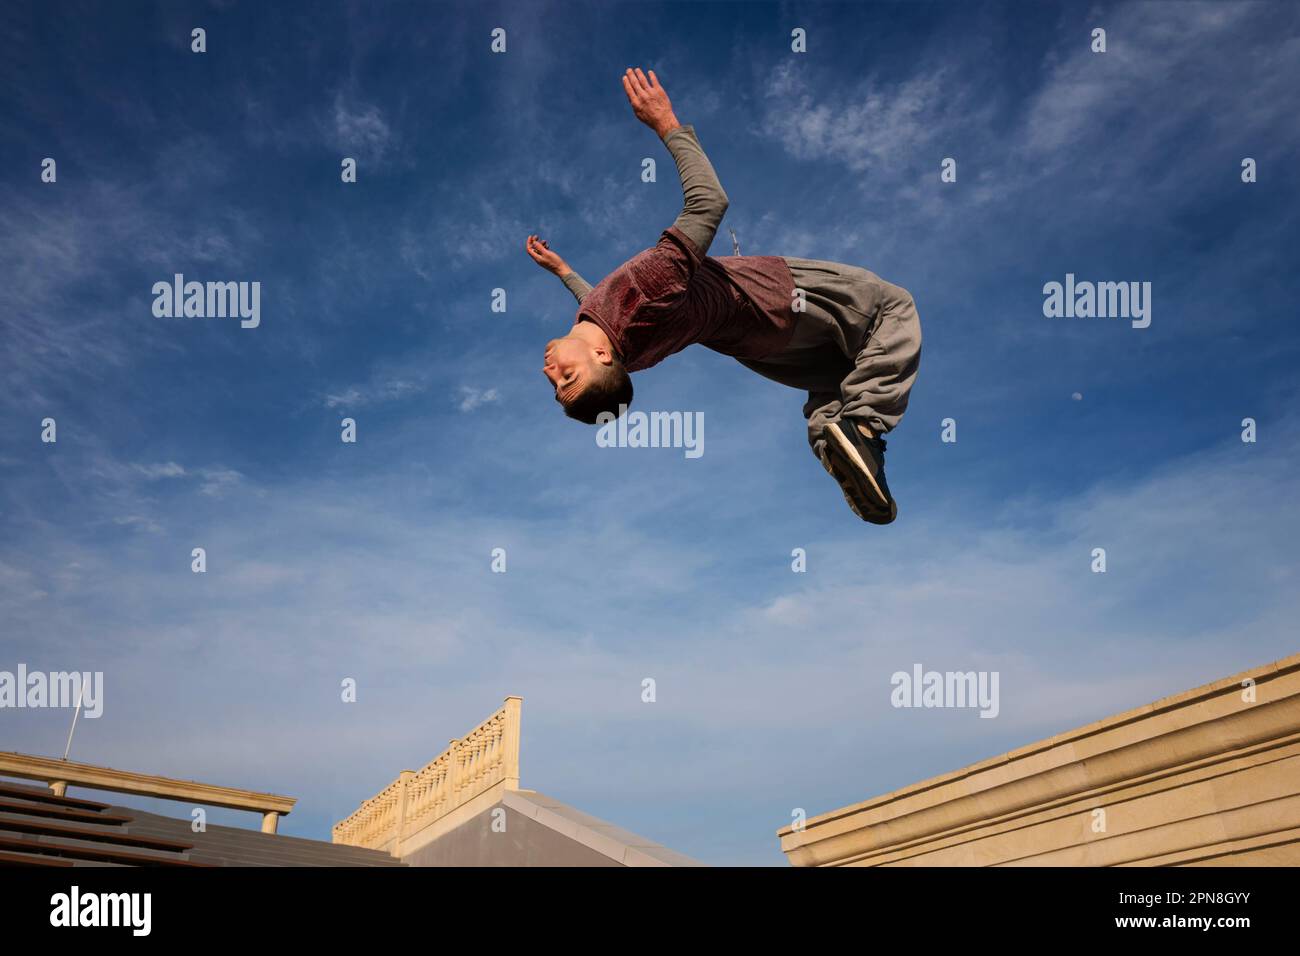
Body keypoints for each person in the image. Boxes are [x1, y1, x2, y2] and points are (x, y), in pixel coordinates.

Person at [528, 68, 921, 524]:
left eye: (554, 383)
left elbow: (593, 302)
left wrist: (563, 271)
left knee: (837, 377)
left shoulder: (620, 344)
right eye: (566, 378)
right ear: (602, 354)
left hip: (761, 348)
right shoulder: (648, 286)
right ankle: (864, 427)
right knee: (891, 307)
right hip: (773, 296)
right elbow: (709, 203)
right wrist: (666, 123)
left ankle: (840, 444)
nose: (550, 372)